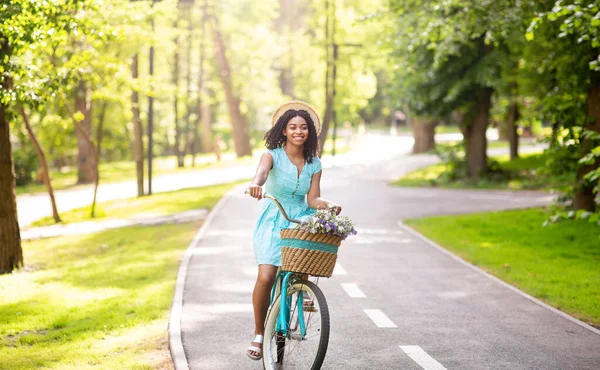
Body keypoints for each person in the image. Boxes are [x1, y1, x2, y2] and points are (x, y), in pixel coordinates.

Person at [245, 100, 342, 361]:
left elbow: (312, 200)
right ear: (284, 130)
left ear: (309, 131)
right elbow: (262, 174)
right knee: (266, 276)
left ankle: (300, 293)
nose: (299, 131)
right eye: (293, 127)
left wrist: (327, 205)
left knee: (300, 266)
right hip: (273, 218)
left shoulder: (314, 163)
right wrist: (255, 185)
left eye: (303, 128)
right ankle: (258, 333)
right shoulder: (271, 155)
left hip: (300, 218)